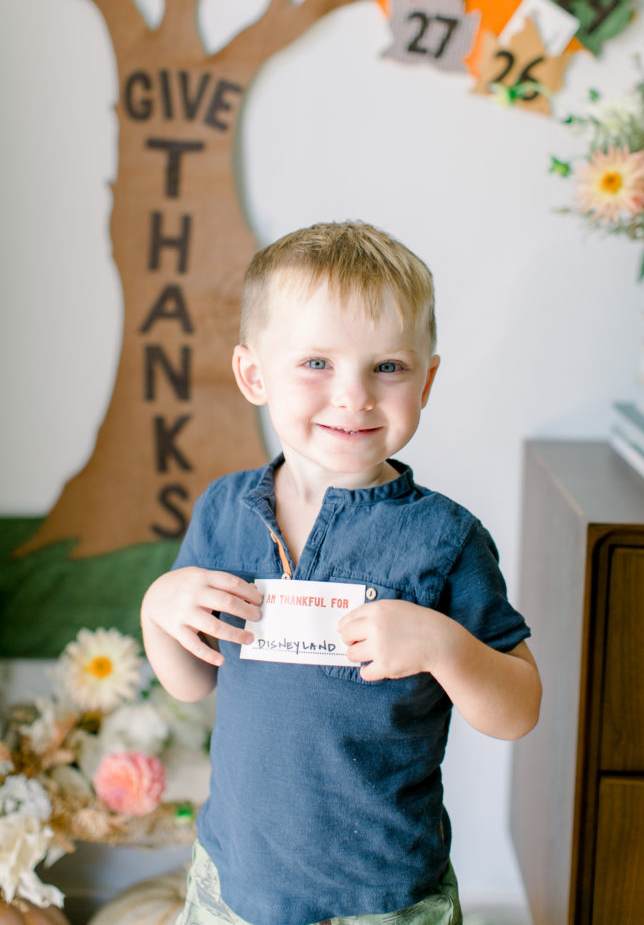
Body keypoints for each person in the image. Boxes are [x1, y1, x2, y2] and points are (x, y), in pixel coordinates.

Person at [141, 221, 541, 925]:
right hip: (236, 879)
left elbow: (519, 710)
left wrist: (445, 647)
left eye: (388, 367)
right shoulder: (224, 513)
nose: (354, 396)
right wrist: (157, 608)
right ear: (253, 375)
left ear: (427, 379)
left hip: (384, 895)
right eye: (316, 363)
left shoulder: (445, 539)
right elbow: (189, 681)